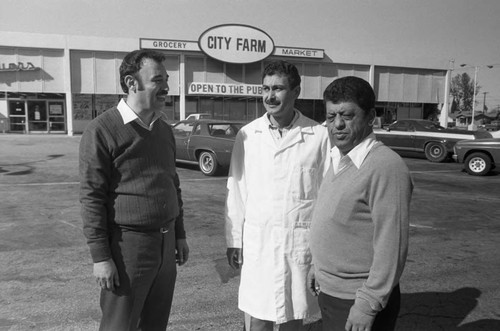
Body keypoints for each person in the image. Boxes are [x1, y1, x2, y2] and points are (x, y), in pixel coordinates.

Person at [79, 49, 189, 330]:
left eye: (166, 79)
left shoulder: (164, 129)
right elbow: (92, 197)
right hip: (128, 248)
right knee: (120, 325)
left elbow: (171, 183)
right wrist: (101, 257)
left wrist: (179, 235)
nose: (166, 86)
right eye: (157, 80)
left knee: (155, 324)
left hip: (165, 246)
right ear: (131, 83)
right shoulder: (101, 129)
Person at [225, 60, 331, 330]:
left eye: (278, 89)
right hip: (259, 243)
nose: (270, 96)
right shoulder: (248, 136)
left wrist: (323, 251)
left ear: (296, 91)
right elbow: (237, 191)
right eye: (265, 89)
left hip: (297, 243)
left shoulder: (318, 136)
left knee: (293, 316)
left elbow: (328, 196)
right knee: (258, 318)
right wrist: (234, 239)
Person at [308, 76, 413, 331]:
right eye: (331, 117)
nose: (338, 125)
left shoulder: (385, 166)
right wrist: (317, 267)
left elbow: (392, 243)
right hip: (331, 292)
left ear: (370, 117)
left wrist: (368, 303)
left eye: (347, 115)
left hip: (357, 299)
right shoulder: (338, 158)